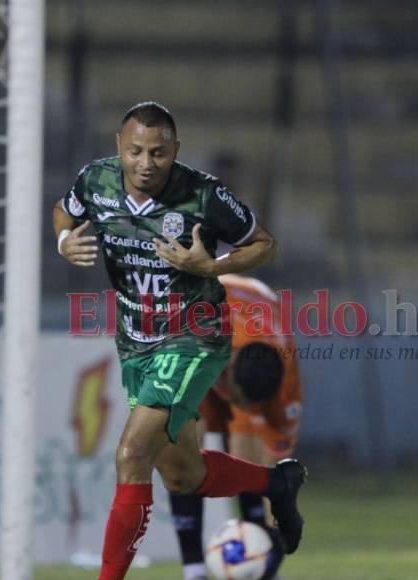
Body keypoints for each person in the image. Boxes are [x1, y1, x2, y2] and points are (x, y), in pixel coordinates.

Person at [52, 101, 306, 580]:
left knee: (131, 455)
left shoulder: (203, 195)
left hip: (194, 336)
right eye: (136, 152)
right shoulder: (95, 181)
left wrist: (210, 266)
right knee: (181, 474)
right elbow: (63, 213)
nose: (146, 163)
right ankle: (277, 482)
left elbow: (264, 244)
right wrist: (64, 242)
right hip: (136, 343)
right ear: (118, 147)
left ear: (176, 151)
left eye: (158, 153)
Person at [171, 274, 303, 580]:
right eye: (238, 401)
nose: (238, 408)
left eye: (249, 406)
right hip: (199, 332)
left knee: (248, 457)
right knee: (186, 450)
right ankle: (194, 571)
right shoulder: (197, 328)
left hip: (254, 323)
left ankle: (261, 567)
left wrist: (271, 545)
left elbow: (276, 477)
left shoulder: (286, 392)